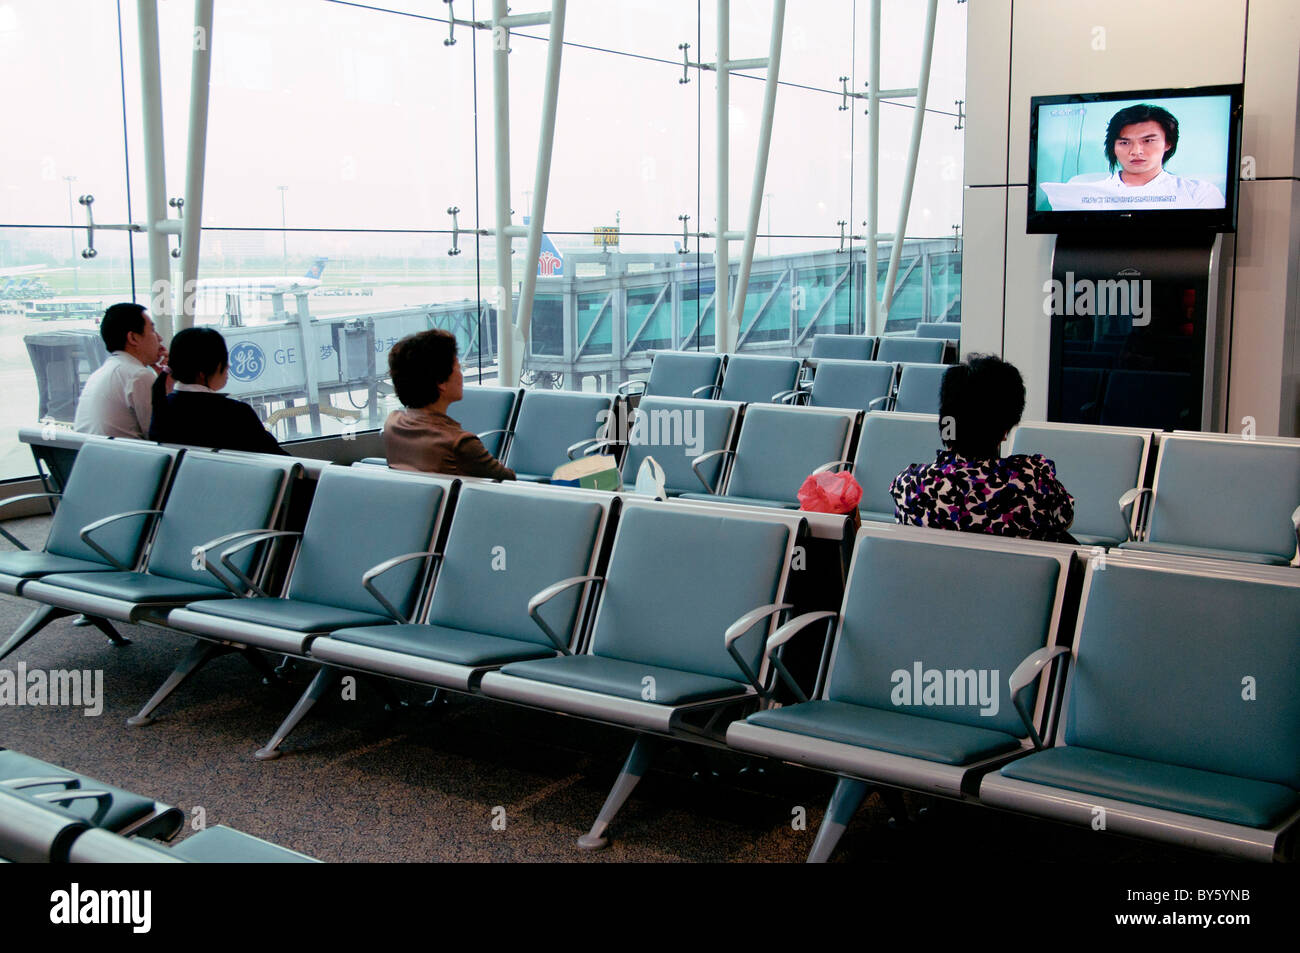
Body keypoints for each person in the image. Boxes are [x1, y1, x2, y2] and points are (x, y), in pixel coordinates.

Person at [889, 355, 1075, 542]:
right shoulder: (1032, 480)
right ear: (1004, 430)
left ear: (946, 423)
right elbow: (1064, 519)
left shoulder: (910, 484)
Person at [383, 329, 515, 480]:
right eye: (459, 368)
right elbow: (508, 480)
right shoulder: (459, 444)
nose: (461, 375)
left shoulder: (393, 424)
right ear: (441, 383)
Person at [1041, 103, 1225, 210]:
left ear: (1168, 143)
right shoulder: (1079, 192)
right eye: (1124, 142)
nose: (1136, 151)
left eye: (1148, 141)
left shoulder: (1199, 194)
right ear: (1113, 147)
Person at [148, 327, 287, 455]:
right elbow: (278, 457)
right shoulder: (235, 413)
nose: (229, 366)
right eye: (224, 360)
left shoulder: (162, 406)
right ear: (203, 373)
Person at [73, 302, 166, 438]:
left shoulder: (105, 371)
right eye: (152, 330)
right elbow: (161, 435)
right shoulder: (138, 375)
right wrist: (168, 385)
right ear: (133, 338)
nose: (159, 338)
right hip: (127, 458)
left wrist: (162, 384)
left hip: (94, 456)